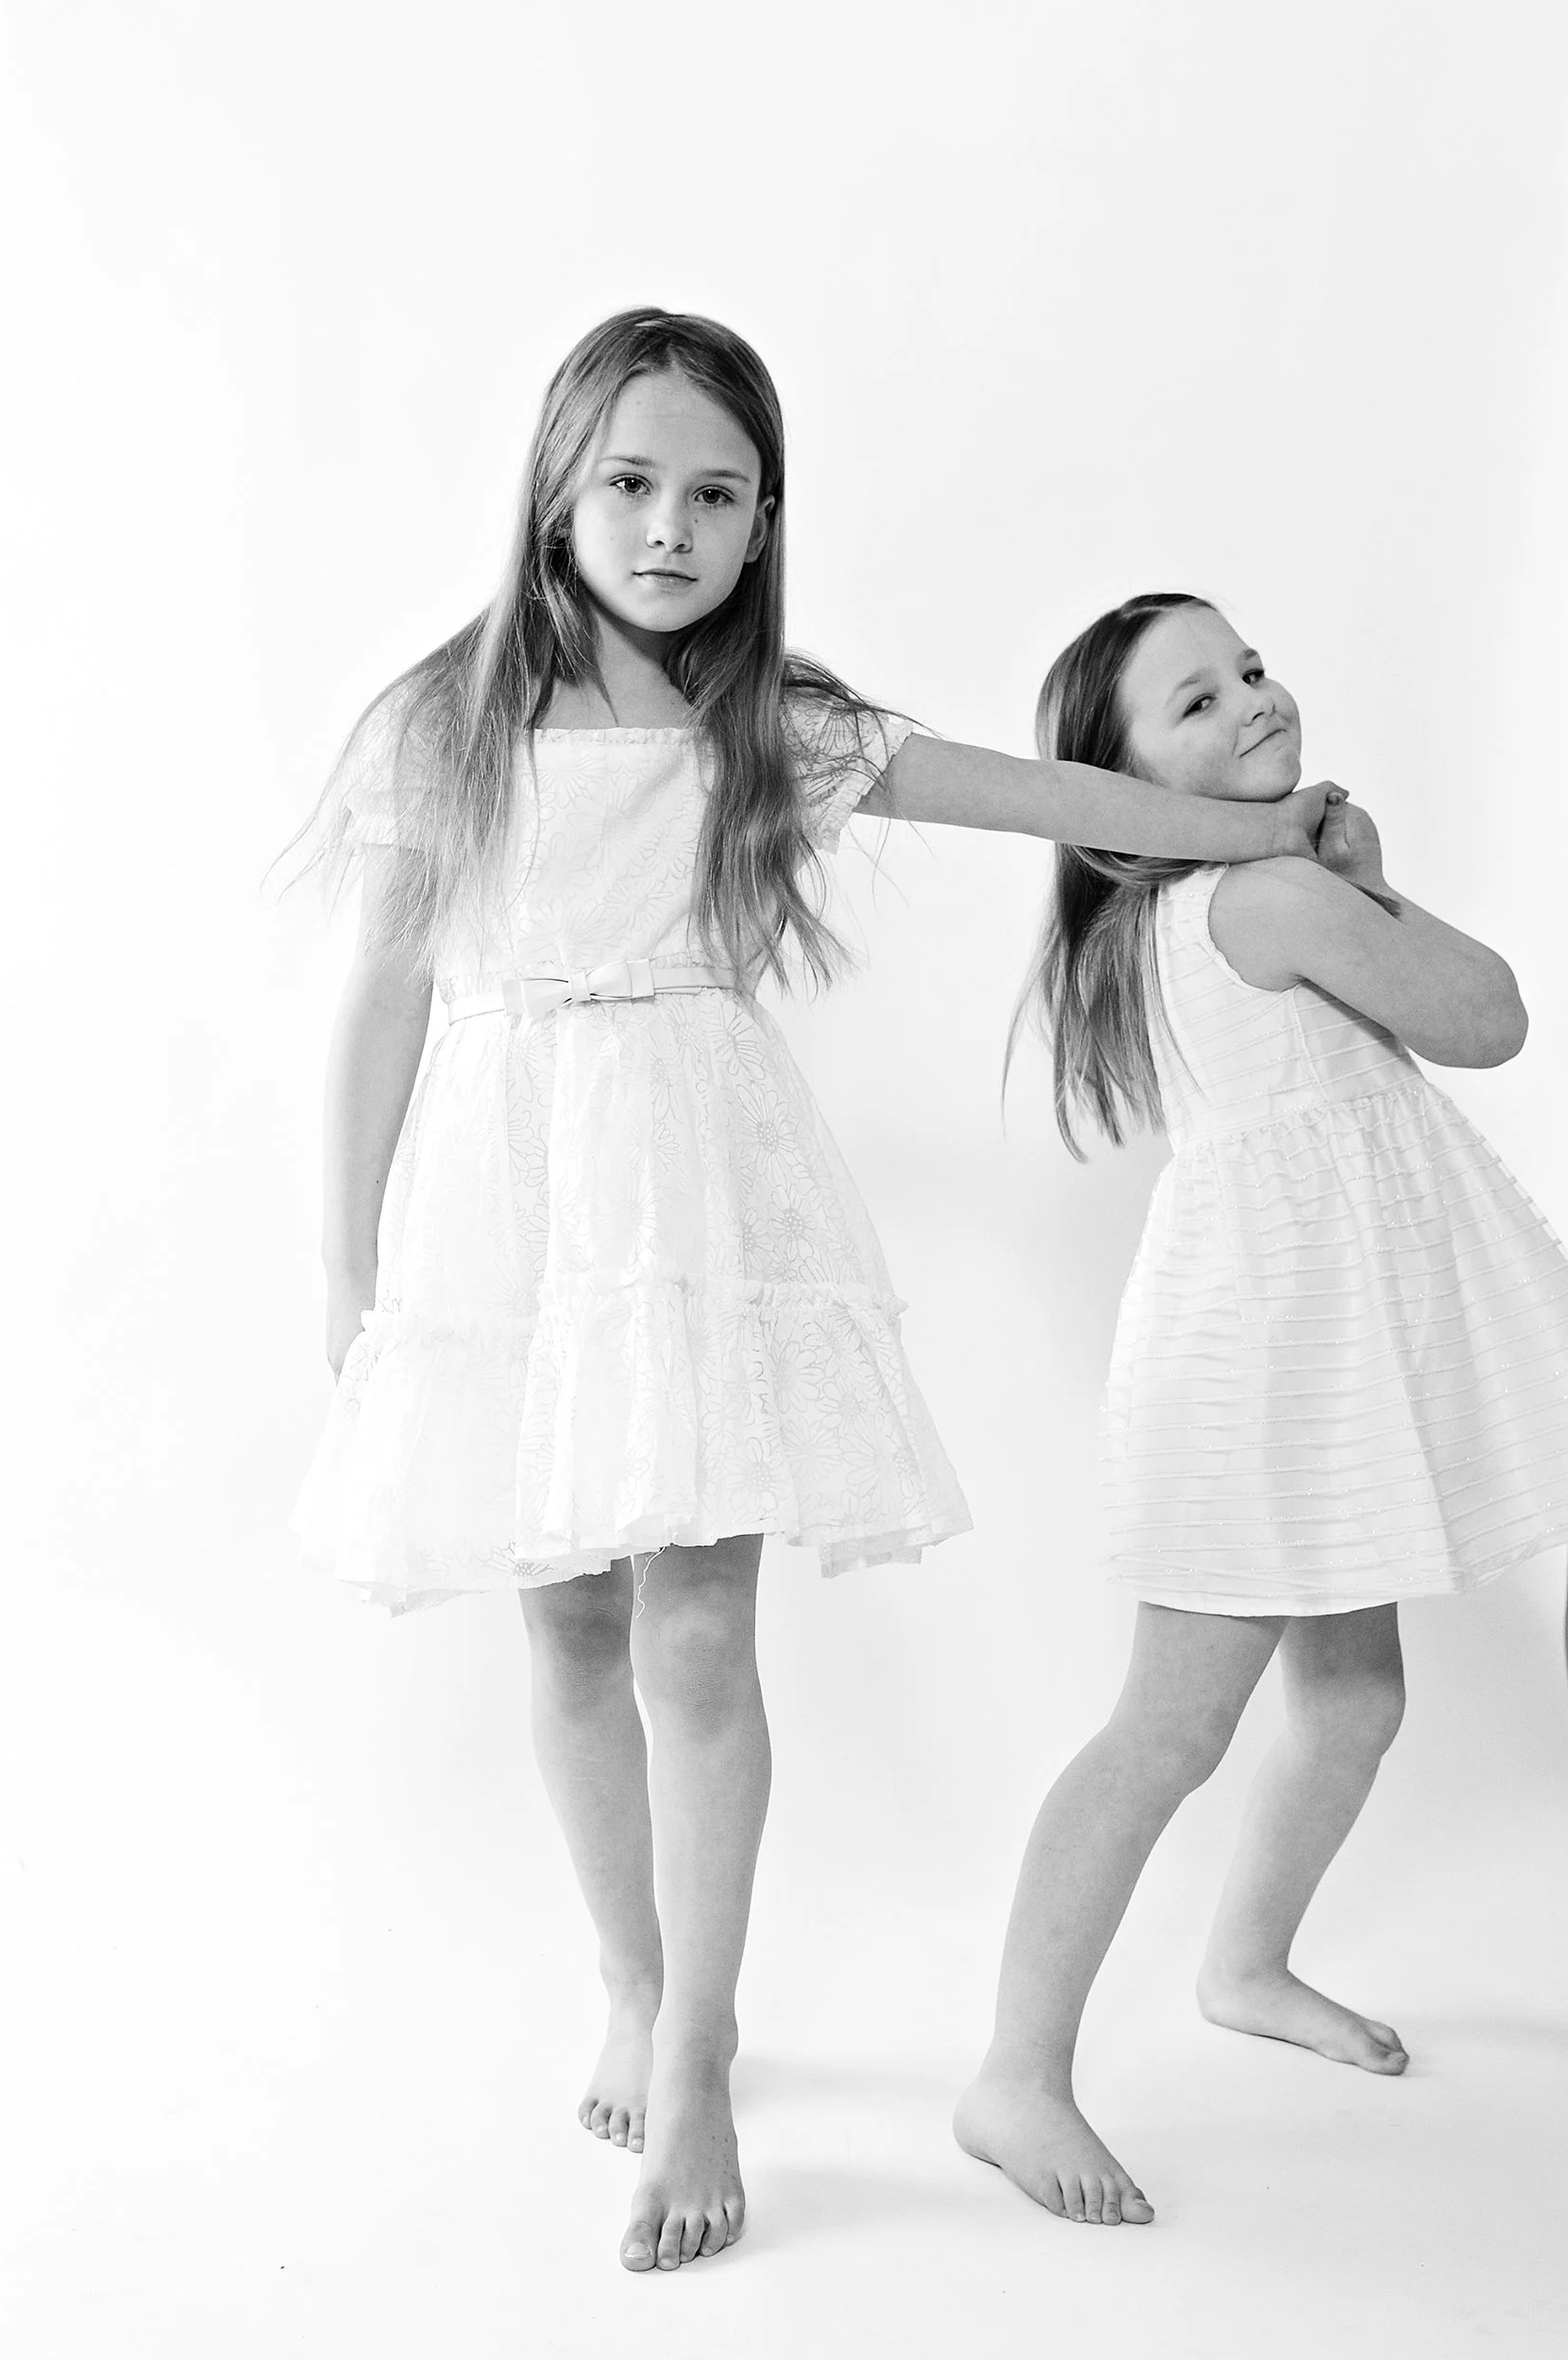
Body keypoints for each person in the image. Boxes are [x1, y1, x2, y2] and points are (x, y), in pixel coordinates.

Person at [292, 340, 1331, 2274]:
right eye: (631, 487)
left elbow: (1030, 794)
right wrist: (349, 1270)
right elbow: (378, 1002)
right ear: (555, 492)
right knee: (569, 1619)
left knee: (698, 1631)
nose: (671, 529)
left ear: (765, 516)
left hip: (690, 1187)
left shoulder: (774, 722)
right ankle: (627, 1968)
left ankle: (696, 2042)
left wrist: (1257, 833)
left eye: (715, 494)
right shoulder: (442, 723)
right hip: (513, 1204)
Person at [955, 592, 1568, 2228]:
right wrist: (1372, 883)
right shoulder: (1268, 898)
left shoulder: (1190, 915)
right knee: (1168, 1724)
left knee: (1354, 1695)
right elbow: (1490, 1016)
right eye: (1190, 703)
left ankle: (1242, 1962)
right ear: (1118, 792)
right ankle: (1014, 2071)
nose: (1247, 701)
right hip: (1257, 1371)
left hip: (1309, 1358)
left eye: (1246, 668)